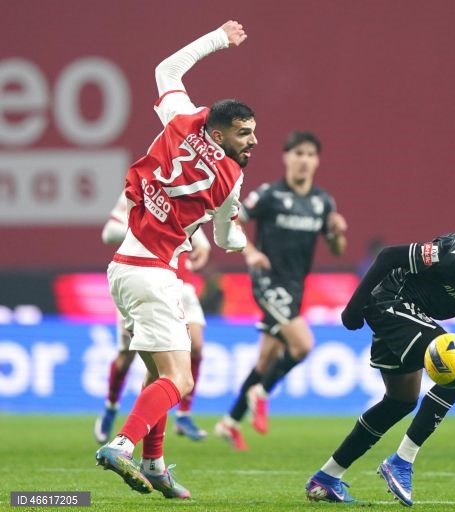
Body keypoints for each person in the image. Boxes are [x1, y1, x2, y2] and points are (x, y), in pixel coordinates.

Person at [94, 20, 255, 500]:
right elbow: (227, 241)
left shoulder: (182, 118)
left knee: (156, 373)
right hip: (154, 275)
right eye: (244, 134)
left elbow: (168, 68)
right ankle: (121, 444)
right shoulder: (231, 181)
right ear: (222, 133)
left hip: (122, 267)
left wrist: (219, 39)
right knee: (180, 379)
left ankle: (155, 463)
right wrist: (238, 229)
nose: (252, 142)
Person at [305, 207, 455, 506]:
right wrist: (353, 308)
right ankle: (401, 461)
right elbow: (389, 256)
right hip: (391, 301)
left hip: (413, 313)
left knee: (400, 402)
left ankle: (325, 478)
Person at [214, 131, 347, 450]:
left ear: (317, 161)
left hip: (294, 288)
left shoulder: (323, 202)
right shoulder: (269, 195)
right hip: (267, 281)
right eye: (297, 153)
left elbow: (337, 249)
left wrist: (337, 233)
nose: (303, 160)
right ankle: (260, 393)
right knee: (302, 345)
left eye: (310, 154)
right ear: (286, 157)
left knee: (265, 360)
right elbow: (233, 219)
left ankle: (229, 422)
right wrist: (250, 253)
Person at [94, 192, 210, 445]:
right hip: (143, 278)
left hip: (179, 282)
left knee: (196, 346)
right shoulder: (143, 190)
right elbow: (109, 233)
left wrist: (202, 243)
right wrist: (147, 229)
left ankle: (184, 414)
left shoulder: (189, 189)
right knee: (128, 356)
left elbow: (192, 229)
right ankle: (111, 408)